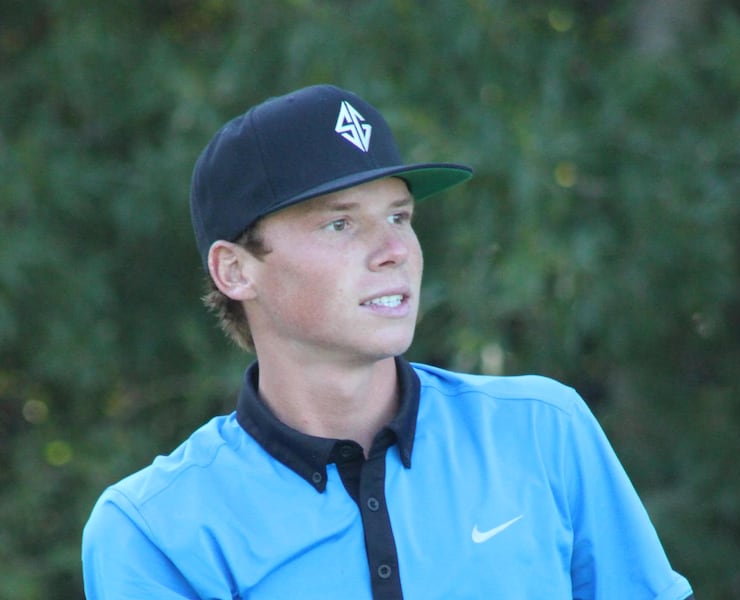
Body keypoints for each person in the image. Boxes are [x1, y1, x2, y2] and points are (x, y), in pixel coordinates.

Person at [82, 84, 694, 599]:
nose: (395, 251)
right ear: (235, 270)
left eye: (400, 216)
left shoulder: (543, 430)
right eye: (341, 223)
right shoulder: (155, 529)